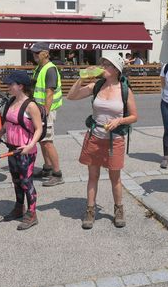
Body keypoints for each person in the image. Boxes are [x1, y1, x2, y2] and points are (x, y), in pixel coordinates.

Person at [67, 53, 138, 229]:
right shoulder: (96, 85)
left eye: (107, 65)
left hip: (115, 140)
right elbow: (71, 96)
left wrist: (118, 121)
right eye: (103, 64)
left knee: (115, 177)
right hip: (95, 136)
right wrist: (81, 77)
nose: (103, 67)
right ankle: (90, 211)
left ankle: (119, 210)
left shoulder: (124, 90)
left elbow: (134, 116)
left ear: (116, 70)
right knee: (93, 176)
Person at [0, 71, 44, 230]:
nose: (7, 87)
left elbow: (39, 129)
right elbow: (8, 122)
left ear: (20, 86)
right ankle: (18, 208)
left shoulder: (31, 105)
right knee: (16, 181)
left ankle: (32, 213)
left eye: (10, 84)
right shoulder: (12, 101)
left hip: (25, 150)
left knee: (26, 182)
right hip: (12, 148)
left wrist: (29, 146)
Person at [29, 43, 64, 186]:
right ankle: (47, 168)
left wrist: (45, 113)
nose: (34, 55)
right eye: (33, 53)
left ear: (46, 53)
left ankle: (57, 174)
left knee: (48, 142)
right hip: (40, 110)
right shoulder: (40, 67)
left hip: (46, 111)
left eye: (37, 53)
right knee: (43, 140)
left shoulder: (49, 69)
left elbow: (49, 93)